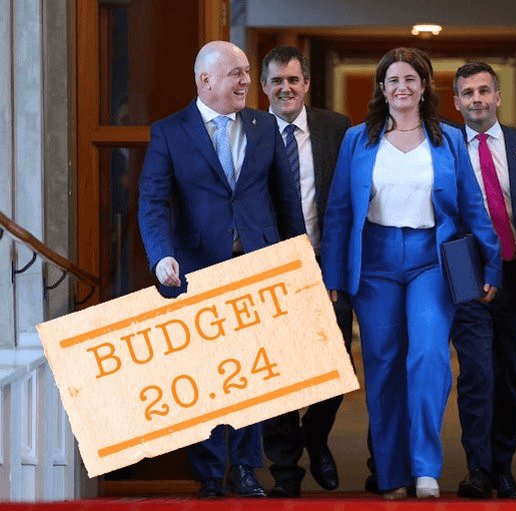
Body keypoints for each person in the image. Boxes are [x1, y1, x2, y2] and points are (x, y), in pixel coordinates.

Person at [321, 47, 501, 500]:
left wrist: (492, 262)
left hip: (431, 261)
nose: (402, 87)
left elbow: (472, 207)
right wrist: (333, 276)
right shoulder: (357, 140)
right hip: (375, 261)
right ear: (382, 89)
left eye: (411, 80)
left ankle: (424, 467)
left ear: (424, 88)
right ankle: (392, 472)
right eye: (393, 80)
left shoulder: (451, 140)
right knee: (381, 365)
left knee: (428, 355)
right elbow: (340, 212)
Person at [138, 40, 304, 499]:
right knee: (208, 375)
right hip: (195, 267)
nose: (248, 81)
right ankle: (210, 473)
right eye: (237, 73)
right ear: (205, 79)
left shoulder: (265, 126)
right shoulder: (170, 132)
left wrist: (298, 264)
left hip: (256, 263)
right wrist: (160, 255)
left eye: (248, 71)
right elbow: (152, 202)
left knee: (254, 372)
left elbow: (286, 202)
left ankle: (247, 468)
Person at [259, 45, 353, 499]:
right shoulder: (249, 131)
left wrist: (338, 266)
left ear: (307, 84)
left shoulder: (337, 129)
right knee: (279, 373)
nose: (285, 88)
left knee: (338, 365)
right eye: (276, 81)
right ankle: (285, 472)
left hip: (325, 263)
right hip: (271, 268)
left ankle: (314, 436)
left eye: (293, 80)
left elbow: (350, 201)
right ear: (264, 87)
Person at [449, 62, 516, 500]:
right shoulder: (445, 145)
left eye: (484, 91)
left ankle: (503, 466)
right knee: (477, 375)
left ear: (498, 97)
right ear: (457, 102)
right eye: (468, 93)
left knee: (509, 378)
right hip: (468, 272)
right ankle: (478, 470)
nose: (477, 100)